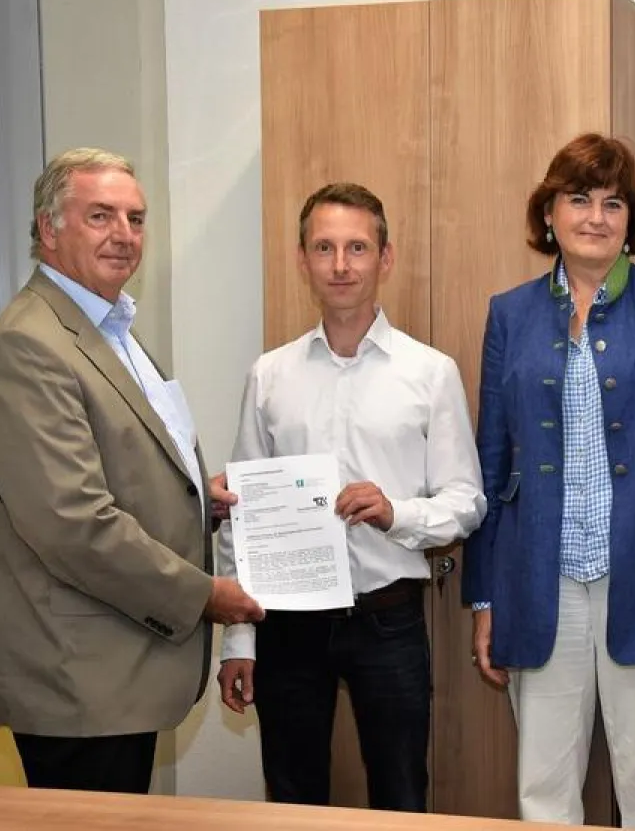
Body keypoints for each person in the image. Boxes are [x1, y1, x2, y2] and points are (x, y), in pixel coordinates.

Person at [461, 133, 635, 831]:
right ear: (548, 212)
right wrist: (484, 598)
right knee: (543, 789)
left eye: (613, 203)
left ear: (631, 219)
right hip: (539, 580)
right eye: (579, 198)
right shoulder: (510, 313)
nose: (595, 216)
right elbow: (491, 462)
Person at [0, 148, 264, 794]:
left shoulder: (107, 328)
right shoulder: (27, 344)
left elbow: (125, 470)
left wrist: (200, 503)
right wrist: (203, 595)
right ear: (48, 229)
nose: (124, 234)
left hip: (115, 673)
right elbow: (73, 524)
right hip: (77, 680)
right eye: (100, 216)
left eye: (135, 218)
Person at [214, 182, 485, 811]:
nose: (341, 265)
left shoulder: (430, 372)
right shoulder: (269, 375)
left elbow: (467, 500)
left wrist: (397, 513)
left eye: (357, 247)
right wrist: (239, 641)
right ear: (302, 259)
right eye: (324, 248)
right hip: (287, 624)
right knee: (292, 799)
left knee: (401, 799)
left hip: (388, 620)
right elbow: (239, 519)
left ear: (385, 258)